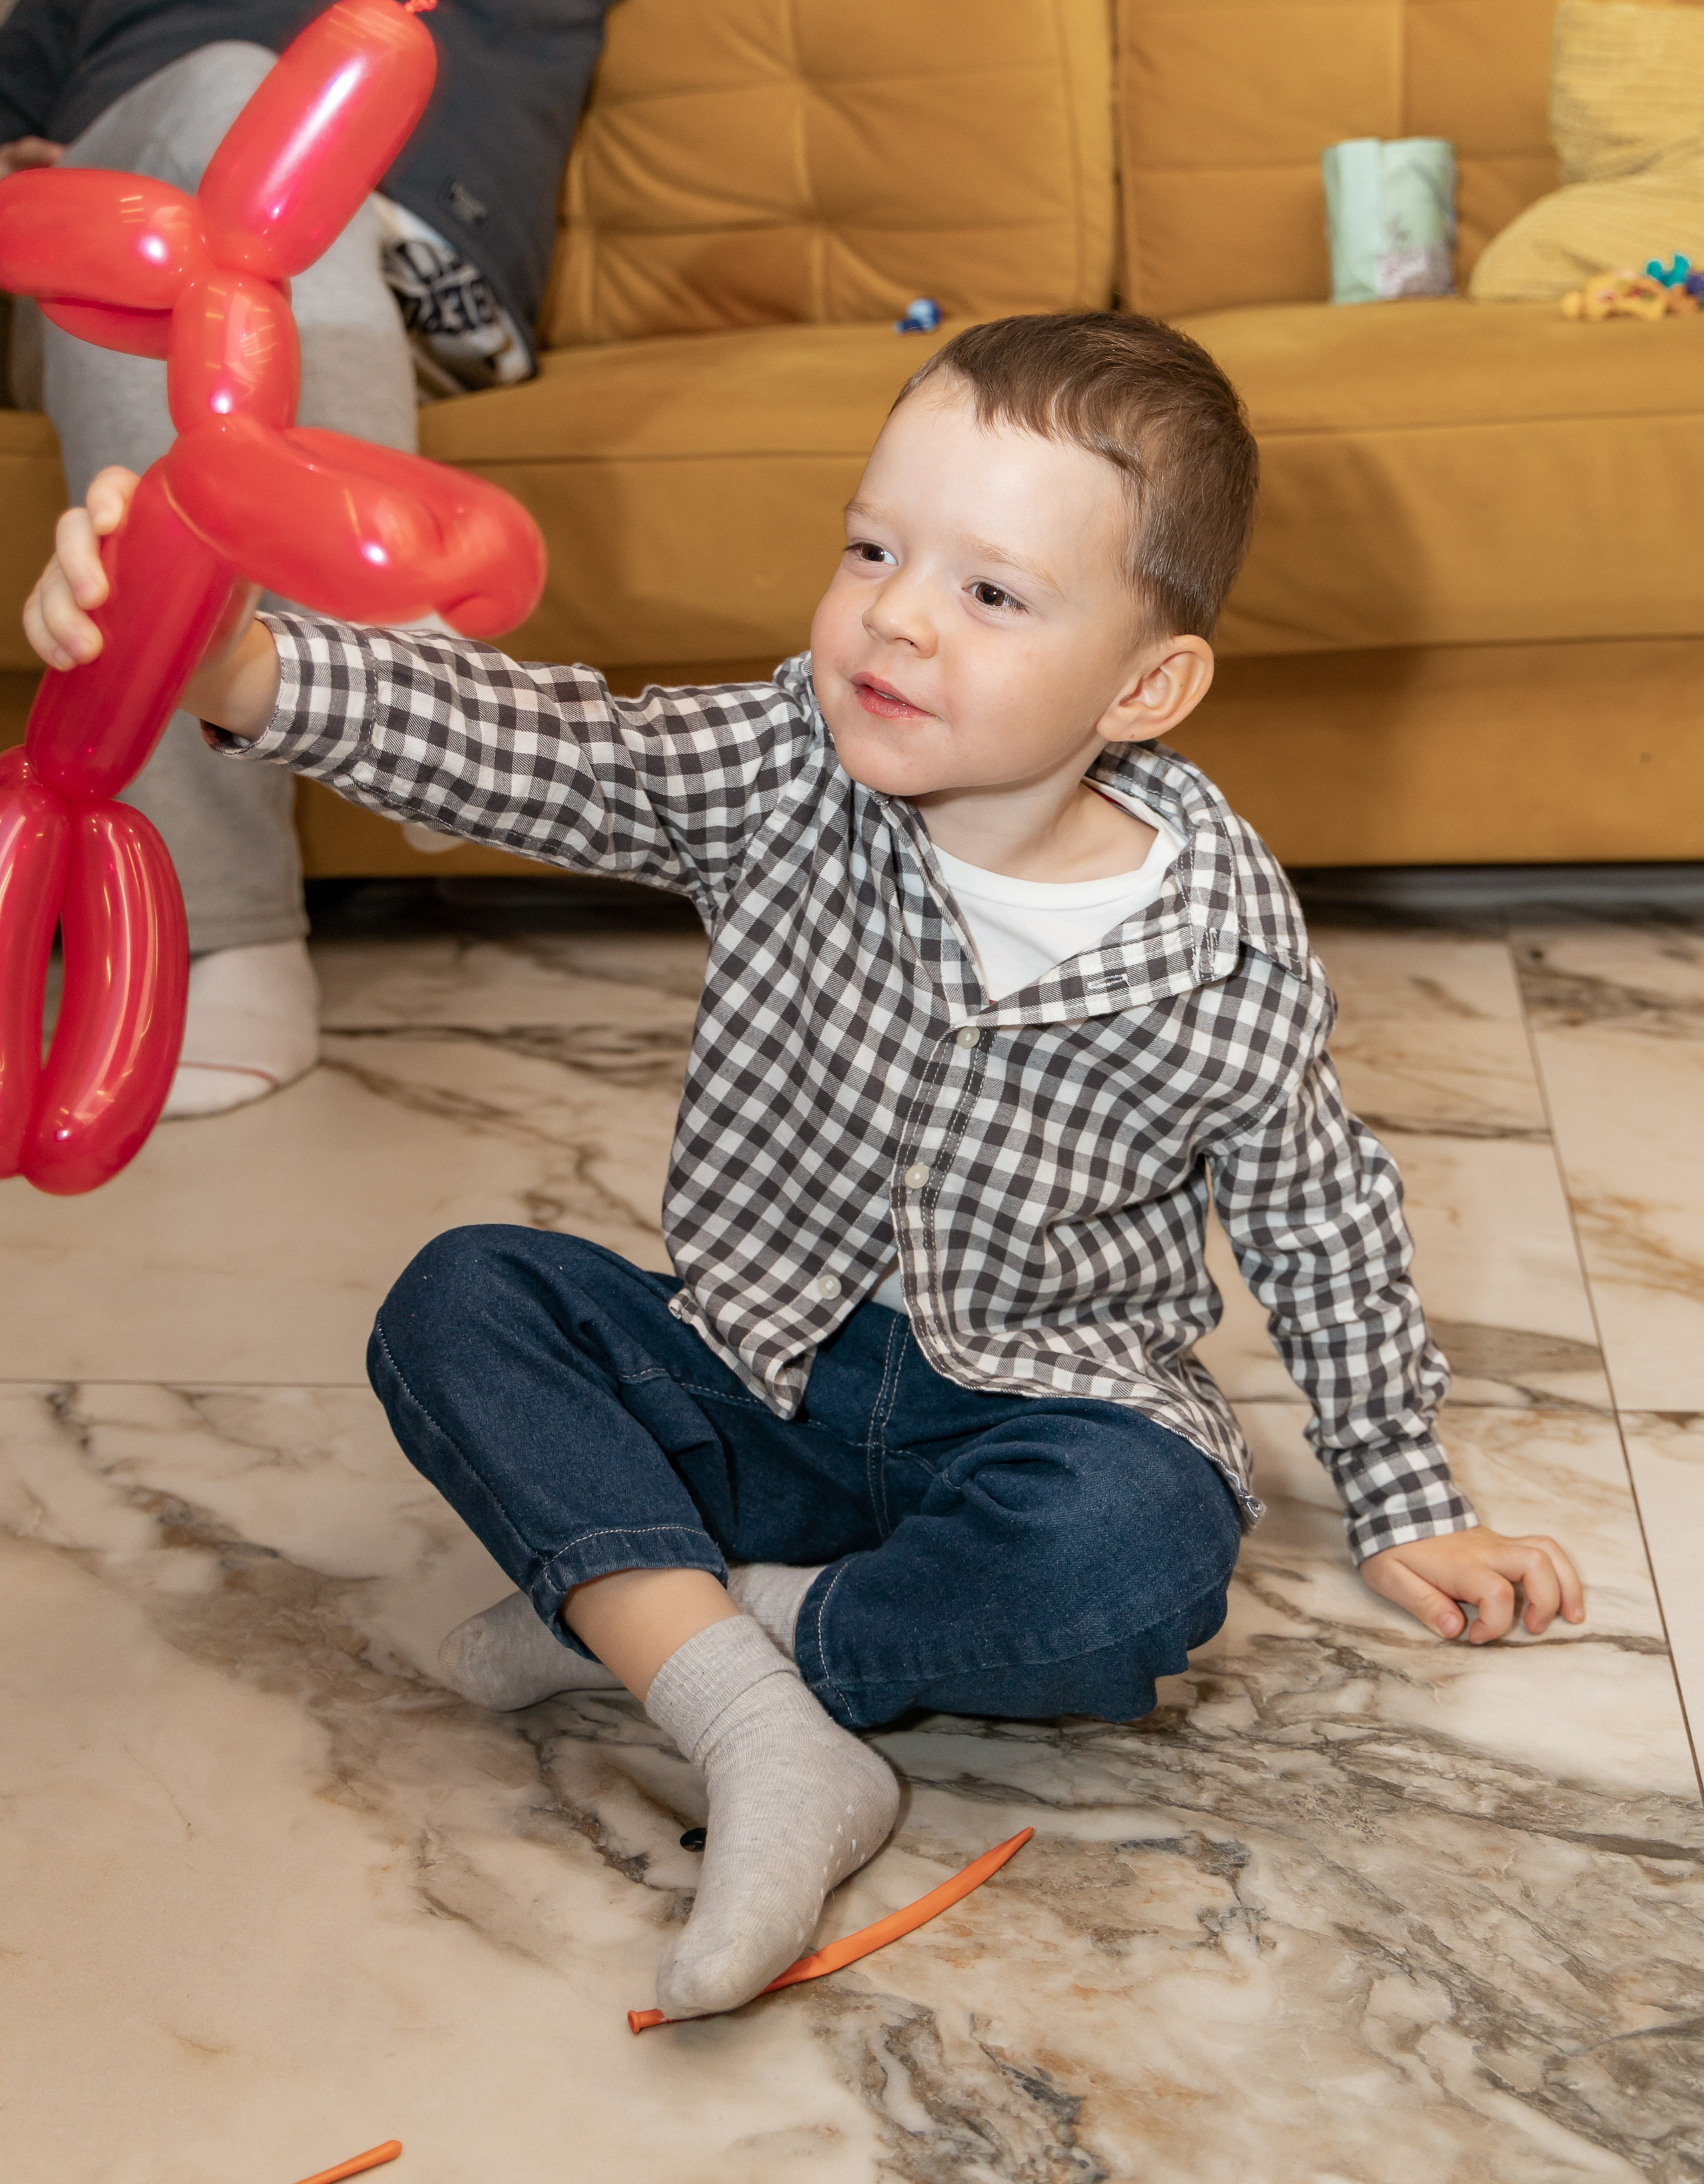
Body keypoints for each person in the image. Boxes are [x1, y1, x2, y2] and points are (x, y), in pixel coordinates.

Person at [24, 311, 1586, 2021]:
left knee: (1140, 1554)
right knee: (464, 1298)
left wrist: (1400, 1492)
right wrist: (255, 673)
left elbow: (1318, 1214)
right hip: (752, 1372)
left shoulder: (1213, 941)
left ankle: (683, 1626)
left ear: (1143, 686)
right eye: (870, 548)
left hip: (1035, 1411)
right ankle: (753, 1715)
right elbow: (556, 750)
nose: (894, 615)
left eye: (990, 593)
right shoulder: (782, 766)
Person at [0, 0, 857, 1119]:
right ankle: (389, 688)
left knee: (266, 174)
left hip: (401, 271)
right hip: (102, 270)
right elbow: (13, 91)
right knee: (213, 140)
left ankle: (233, 931)